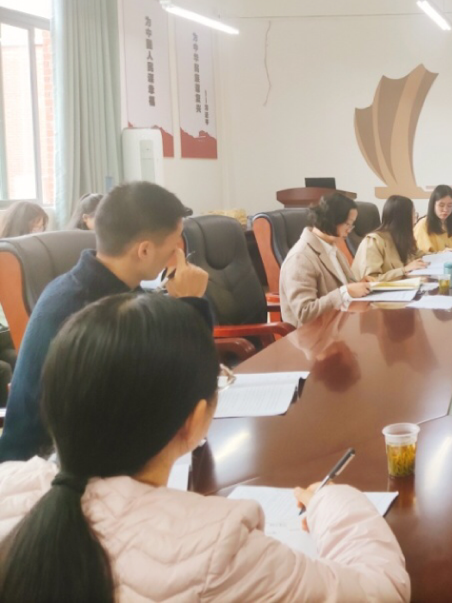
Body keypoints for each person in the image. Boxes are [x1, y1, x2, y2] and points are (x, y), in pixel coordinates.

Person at [0, 293, 411, 601]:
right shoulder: (215, 549)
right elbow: (383, 591)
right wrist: (334, 503)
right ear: (194, 420)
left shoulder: (11, 486)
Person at [0, 182, 210, 462]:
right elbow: (188, 381)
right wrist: (190, 303)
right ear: (144, 251)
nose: (178, 257)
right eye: (175, 246)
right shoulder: (88, 308)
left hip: (96, 447)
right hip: (49, 468)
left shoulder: (111, 287)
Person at [279, 193, 372, 327]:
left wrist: (359, 285)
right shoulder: (300, 257)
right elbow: (305, 313)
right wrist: (344, 292)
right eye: (348, 224)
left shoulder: (332, 248)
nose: (349, 230)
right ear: (332, 220)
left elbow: (344, 287)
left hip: (337, 326)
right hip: (312, 335)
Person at [352, 195, 427, 282]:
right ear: (403, 219)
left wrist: (438, 255)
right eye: (413, 215)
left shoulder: (401, 239)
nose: (415, 220)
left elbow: (417, 254)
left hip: (402, 286)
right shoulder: (373, 242)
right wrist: (404, 270)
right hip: (377, 290)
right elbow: (371, 280)